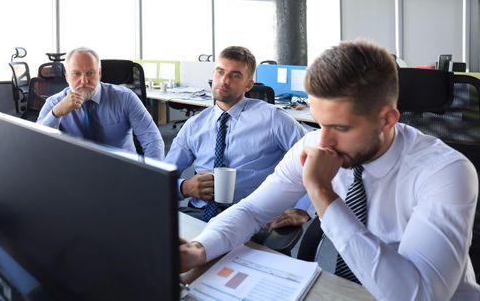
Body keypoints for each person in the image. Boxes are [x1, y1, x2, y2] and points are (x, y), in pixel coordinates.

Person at [180, 40, 480, 300]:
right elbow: (252, 211)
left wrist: (322, 194)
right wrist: (200, 248)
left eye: (340, 127)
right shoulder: (316, 143)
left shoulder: (445, 171)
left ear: (388, 120)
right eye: (321, 123)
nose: (323, 142)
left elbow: (419, 295)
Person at [165, 46, 310, 222]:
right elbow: (162, 178)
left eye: (235, 75)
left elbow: (313, 159)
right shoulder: (194, 125)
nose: (224, 80)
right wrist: (184, 188)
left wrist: (303, 209)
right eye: (220, 72)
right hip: (200, 213)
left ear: (248, 85)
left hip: (252, 216)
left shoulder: (273, 119)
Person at [37, 47, 164, 160]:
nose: (84, 81)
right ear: (67, 76)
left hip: (123, 171)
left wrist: (152, 179)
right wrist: (56, 114)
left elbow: (152, 140)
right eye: (76, 74)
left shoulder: (125, 97)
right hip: (76, 174)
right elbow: (36, 145)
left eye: (90, 73)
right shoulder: (54, 103)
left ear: (99, 73)